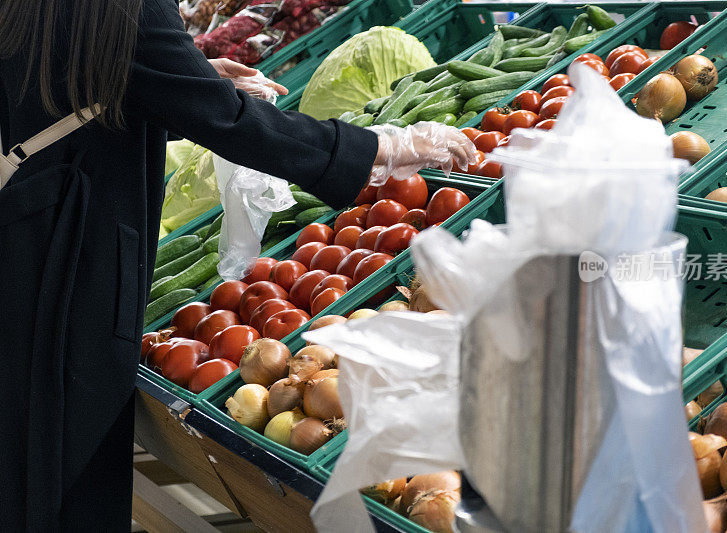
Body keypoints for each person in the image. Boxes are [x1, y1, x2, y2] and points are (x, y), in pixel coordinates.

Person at [0, 0, 475, 529]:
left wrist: (185, 80)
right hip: (69, 265)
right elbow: (232, 122)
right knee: (60, 458)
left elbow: (83, 79)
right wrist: (382, 147)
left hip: (31, 233)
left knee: (27, 445)